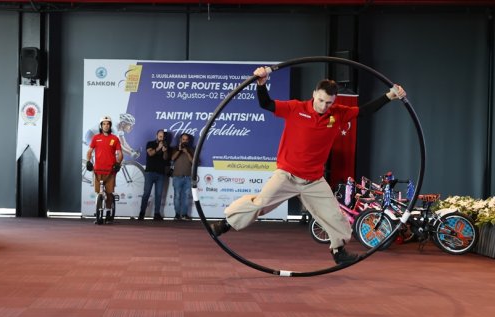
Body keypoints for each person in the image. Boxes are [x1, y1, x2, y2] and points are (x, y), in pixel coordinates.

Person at [211, 67, 406, 265]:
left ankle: (338, 251)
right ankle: (225, 223)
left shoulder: (338, 114)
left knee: (334, 215)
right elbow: (266, 104)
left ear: (335, 101)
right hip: (286, 175)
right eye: (321, 100)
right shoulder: (295, 108)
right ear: (314, 94)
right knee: (260, 203)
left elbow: (364, 112)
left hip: (313, 180)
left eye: (329, 102)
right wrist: (261, 84)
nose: (323, 106)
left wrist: (390, 95)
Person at [85, 116, 123, 223]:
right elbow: (89, 151)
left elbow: (120, 153)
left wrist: (118, 163)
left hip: (110, 171)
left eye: (108, 124)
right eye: (104, 124)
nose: (106, 126)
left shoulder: (115, 139)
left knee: (109, 193)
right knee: (99, 192)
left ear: (110, 126)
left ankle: (108, 212)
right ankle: (98, 212)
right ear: (101, 126)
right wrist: (88, 161)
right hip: (98, 170)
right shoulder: (96, 138)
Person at [138, 129, 170, 221]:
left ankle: (157, 214)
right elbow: (150, 153)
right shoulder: (150, 143)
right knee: (146, 193)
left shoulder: (166, 145)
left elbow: (166, 158)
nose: (162, 138)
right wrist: (158, 148)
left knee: (159, 195)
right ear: (156, 136)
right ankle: (142, 213)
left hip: (160, 173)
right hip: (150, 172)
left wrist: (165, 151)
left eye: (163, 137)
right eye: (160, 136)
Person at [170, 133, 194, 220]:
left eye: (186, 139)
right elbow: (172, 158)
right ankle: (177, 214)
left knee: (186, 196)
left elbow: (194, 162)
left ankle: (184, 214)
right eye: (183, 139)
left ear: (188, 141)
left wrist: (187, 152)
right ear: (180, 140)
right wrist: (179, 150)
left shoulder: (191, 149)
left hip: (187, 177)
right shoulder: (175, 148)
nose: (185, 141)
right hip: (177, 176)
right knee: (177, 196)